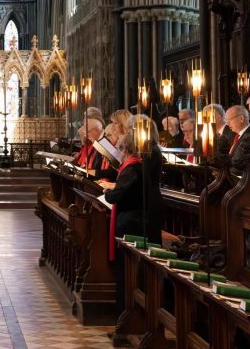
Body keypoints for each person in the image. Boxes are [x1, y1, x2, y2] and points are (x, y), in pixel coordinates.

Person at [97, 122, 163, 347]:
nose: (119, 154)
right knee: (129, 273)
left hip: (130, 225)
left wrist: (107, 192)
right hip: (133, 221)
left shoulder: (132, 168)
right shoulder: (136, 166)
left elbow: (116, 196)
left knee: (128, 273)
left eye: (120, 149)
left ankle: (127, 322)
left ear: (126, 149)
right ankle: (126, 321)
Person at [225, 105, 250, 175]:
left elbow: (243, 166)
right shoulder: (237, 135)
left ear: (241, 118)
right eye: (226, 120)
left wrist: (226, 173)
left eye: (229, 119)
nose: (227, 124)